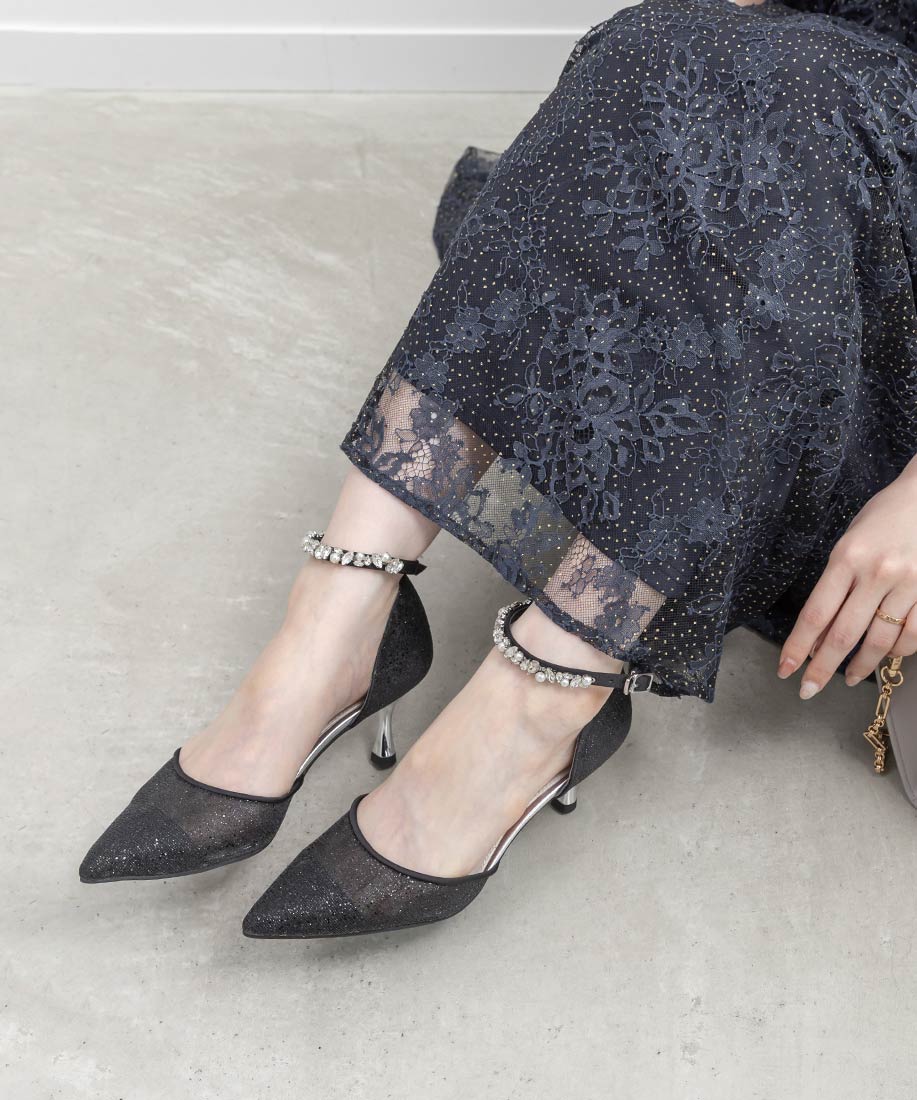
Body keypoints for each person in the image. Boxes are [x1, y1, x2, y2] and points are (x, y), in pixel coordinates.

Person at [80, 0, 917, 938]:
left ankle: (542, 699)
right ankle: (335, 619)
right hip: (825, 121)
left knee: (768, 111)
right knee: (671, 48)